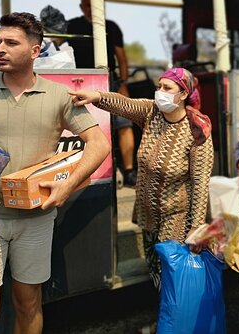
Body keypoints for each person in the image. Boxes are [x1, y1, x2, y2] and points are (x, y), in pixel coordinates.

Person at [0, 12, 110, 334]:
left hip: (36, 219)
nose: (0, 49)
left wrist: (68, 186)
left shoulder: (60, 96)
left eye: (11, 43)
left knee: (28, 305)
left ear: (34, 51)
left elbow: (98, 144)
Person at [70, 67, 213, 289]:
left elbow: (201, 181)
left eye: (167, 88)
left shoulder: (196, 131)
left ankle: (176, 320)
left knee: (173, 272)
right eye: (159, 86)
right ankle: (166, 314)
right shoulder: (151, 112)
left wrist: (196, 225)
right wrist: (96, 97)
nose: (160, 92)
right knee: (154, 267)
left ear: (184, 94)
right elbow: (124, 103)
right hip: (148, 211)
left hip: (177, 214)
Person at [65, 0, 137, 187]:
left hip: (110, 83)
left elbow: (121, 58)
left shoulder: (111, 27)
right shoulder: (71, 26)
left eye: (95, 5)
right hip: (78, 85)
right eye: (87, 5)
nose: (91, 9)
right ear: (82, 7)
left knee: (124, 124)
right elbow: (55, 48)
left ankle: (129, 170)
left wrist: (122, 83)